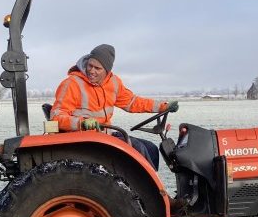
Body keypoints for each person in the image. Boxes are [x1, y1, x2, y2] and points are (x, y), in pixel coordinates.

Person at [50, 44, 178, 169]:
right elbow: (56, 117)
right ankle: (145, 189)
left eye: (97, 68)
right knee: (139, 148)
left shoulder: (113, 82)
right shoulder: (72, 84)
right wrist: (81, 123)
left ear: (107, 70)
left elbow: (133, 102)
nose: (91, 71)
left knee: (151, 148)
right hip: (84, 141)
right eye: (90, 66)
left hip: (105, 135)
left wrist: (163, 107)